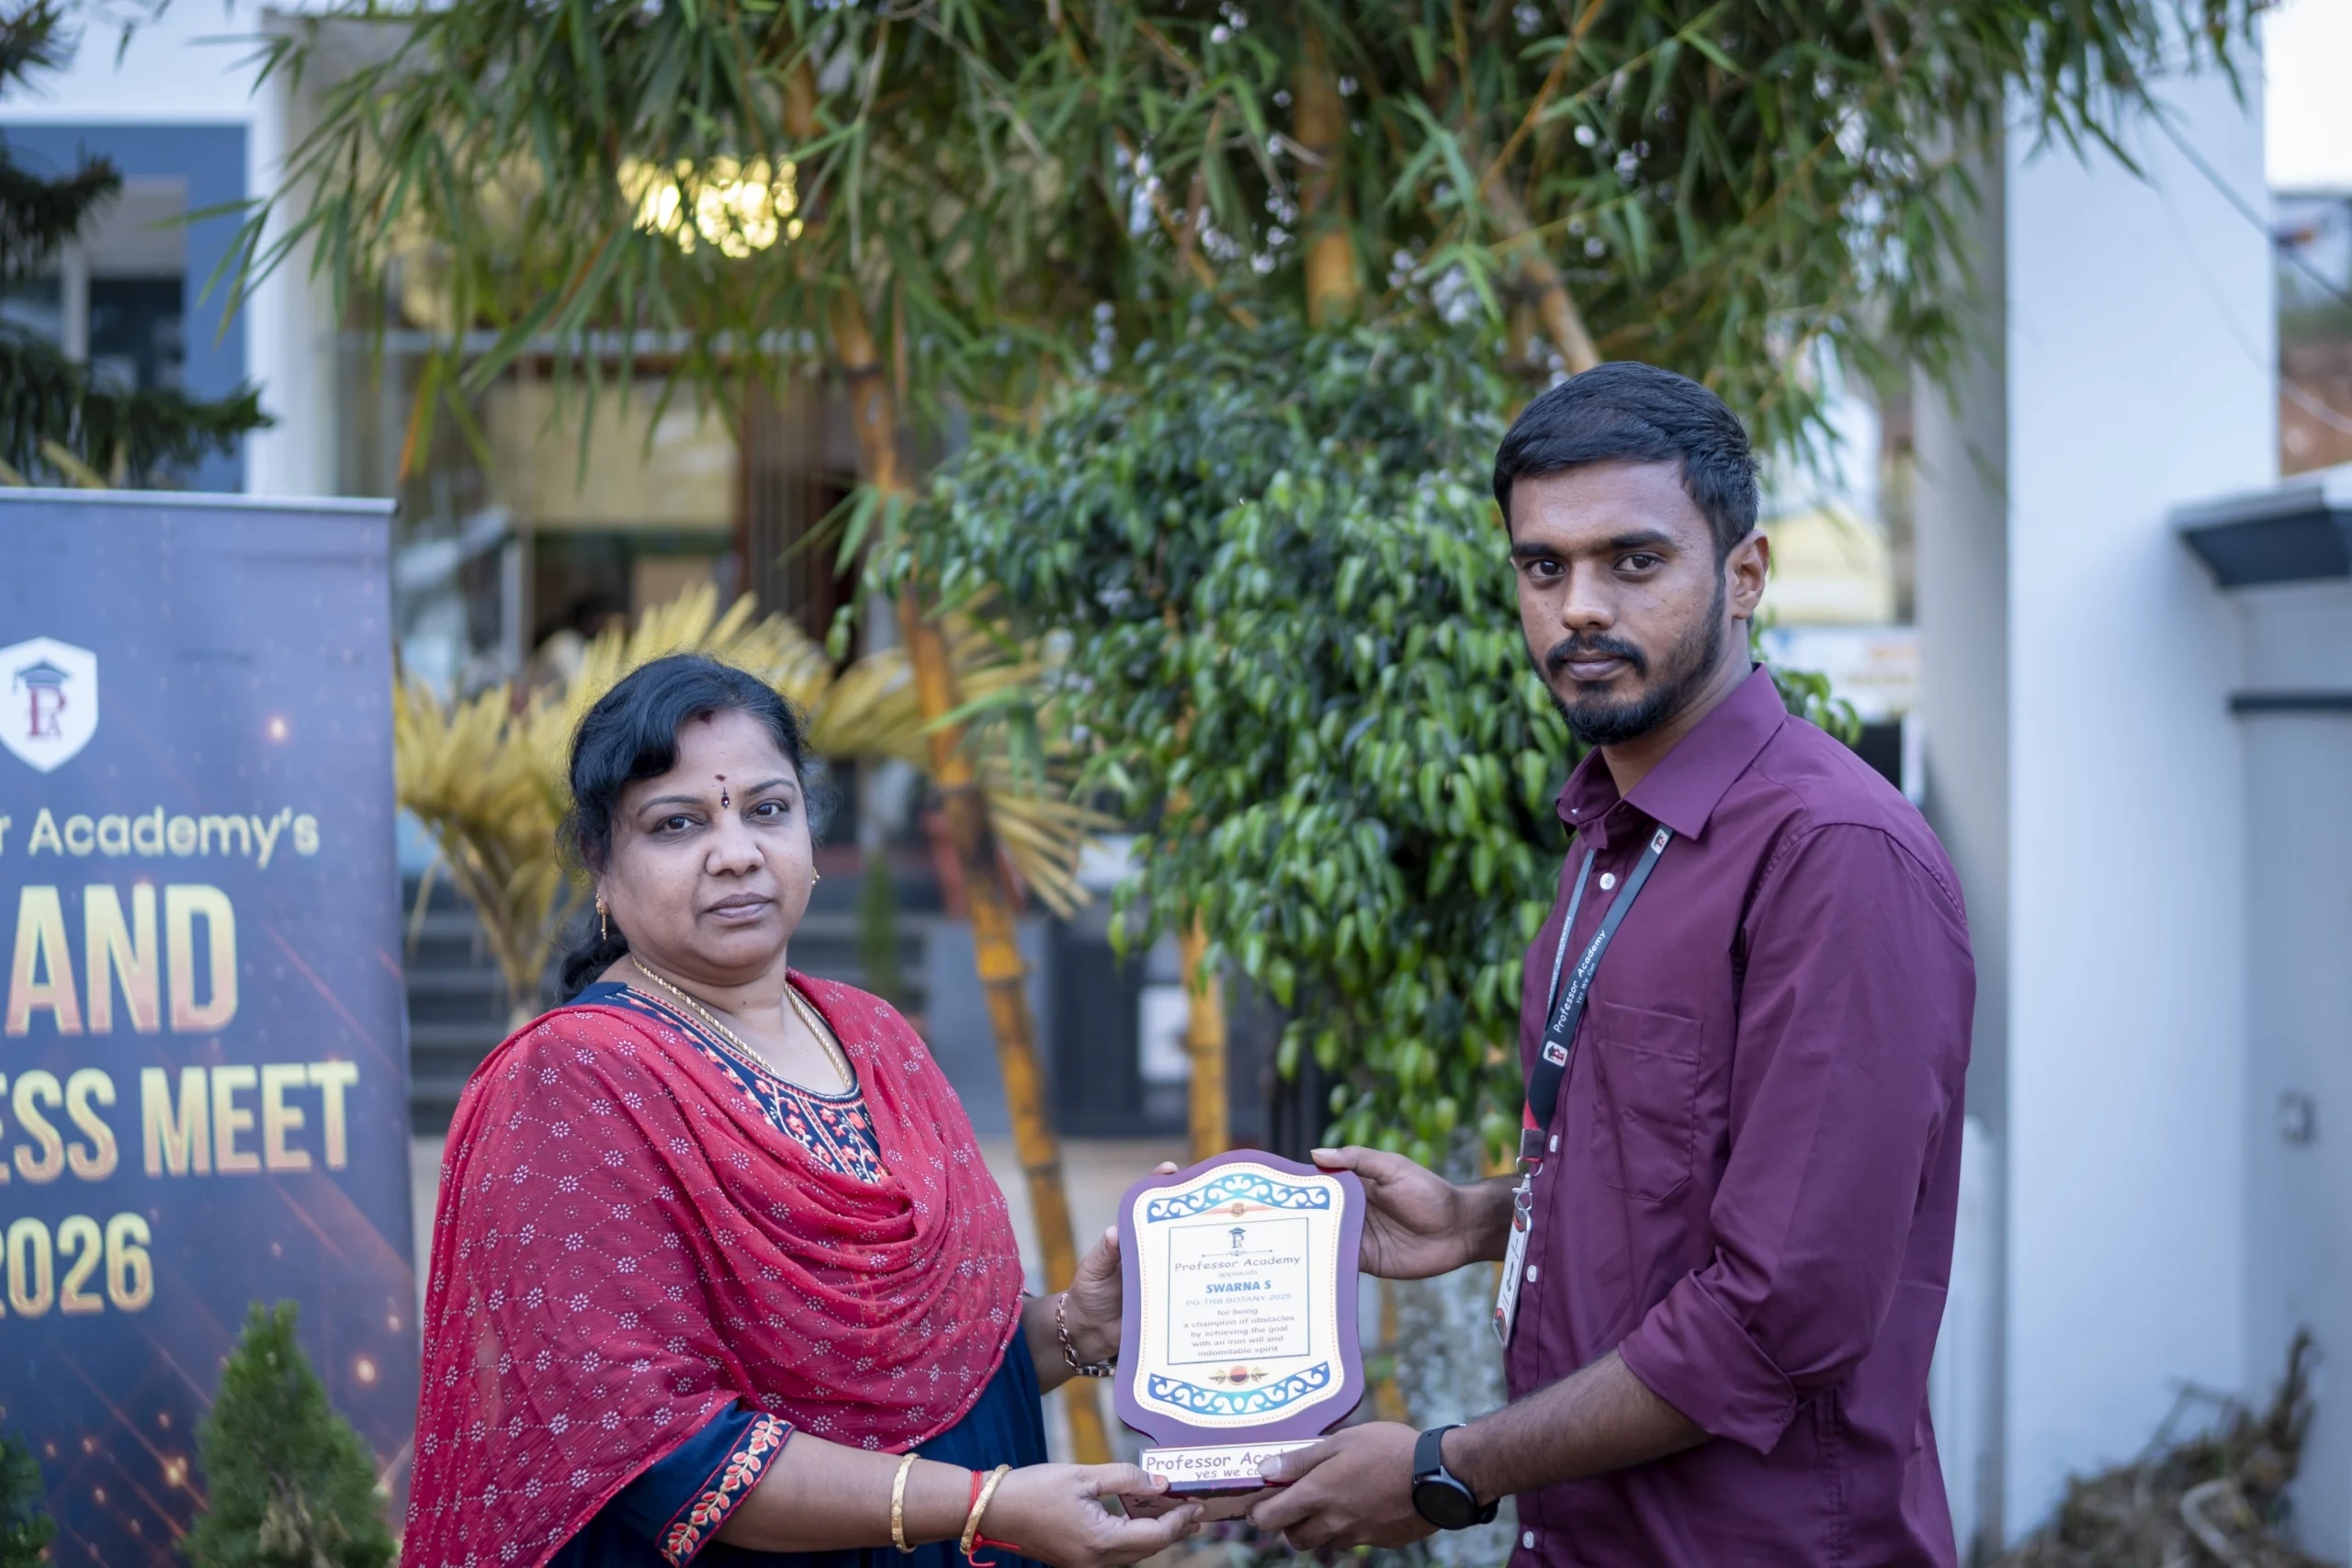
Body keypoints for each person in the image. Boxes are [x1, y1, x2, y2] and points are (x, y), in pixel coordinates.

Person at [1247, 363, 1975, 1566]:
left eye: (1633, 561)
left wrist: (1447, 1469)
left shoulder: (1833, 855)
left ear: (1745, 575)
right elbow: (1681, 1185)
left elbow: (1778, 1313)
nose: (1579, 606)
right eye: (1543, 567)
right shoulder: (1612, 829)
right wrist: (1480, 1216)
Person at [406, 654, 1201, 1568]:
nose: (737, 852)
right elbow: (659, 1447)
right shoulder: (573, 1079)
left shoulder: (876, 1037)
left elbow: (926, 1376)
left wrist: (1079, 1328)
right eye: (677, 823)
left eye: (767, 809)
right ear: (601, 861)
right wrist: (985, 1504)